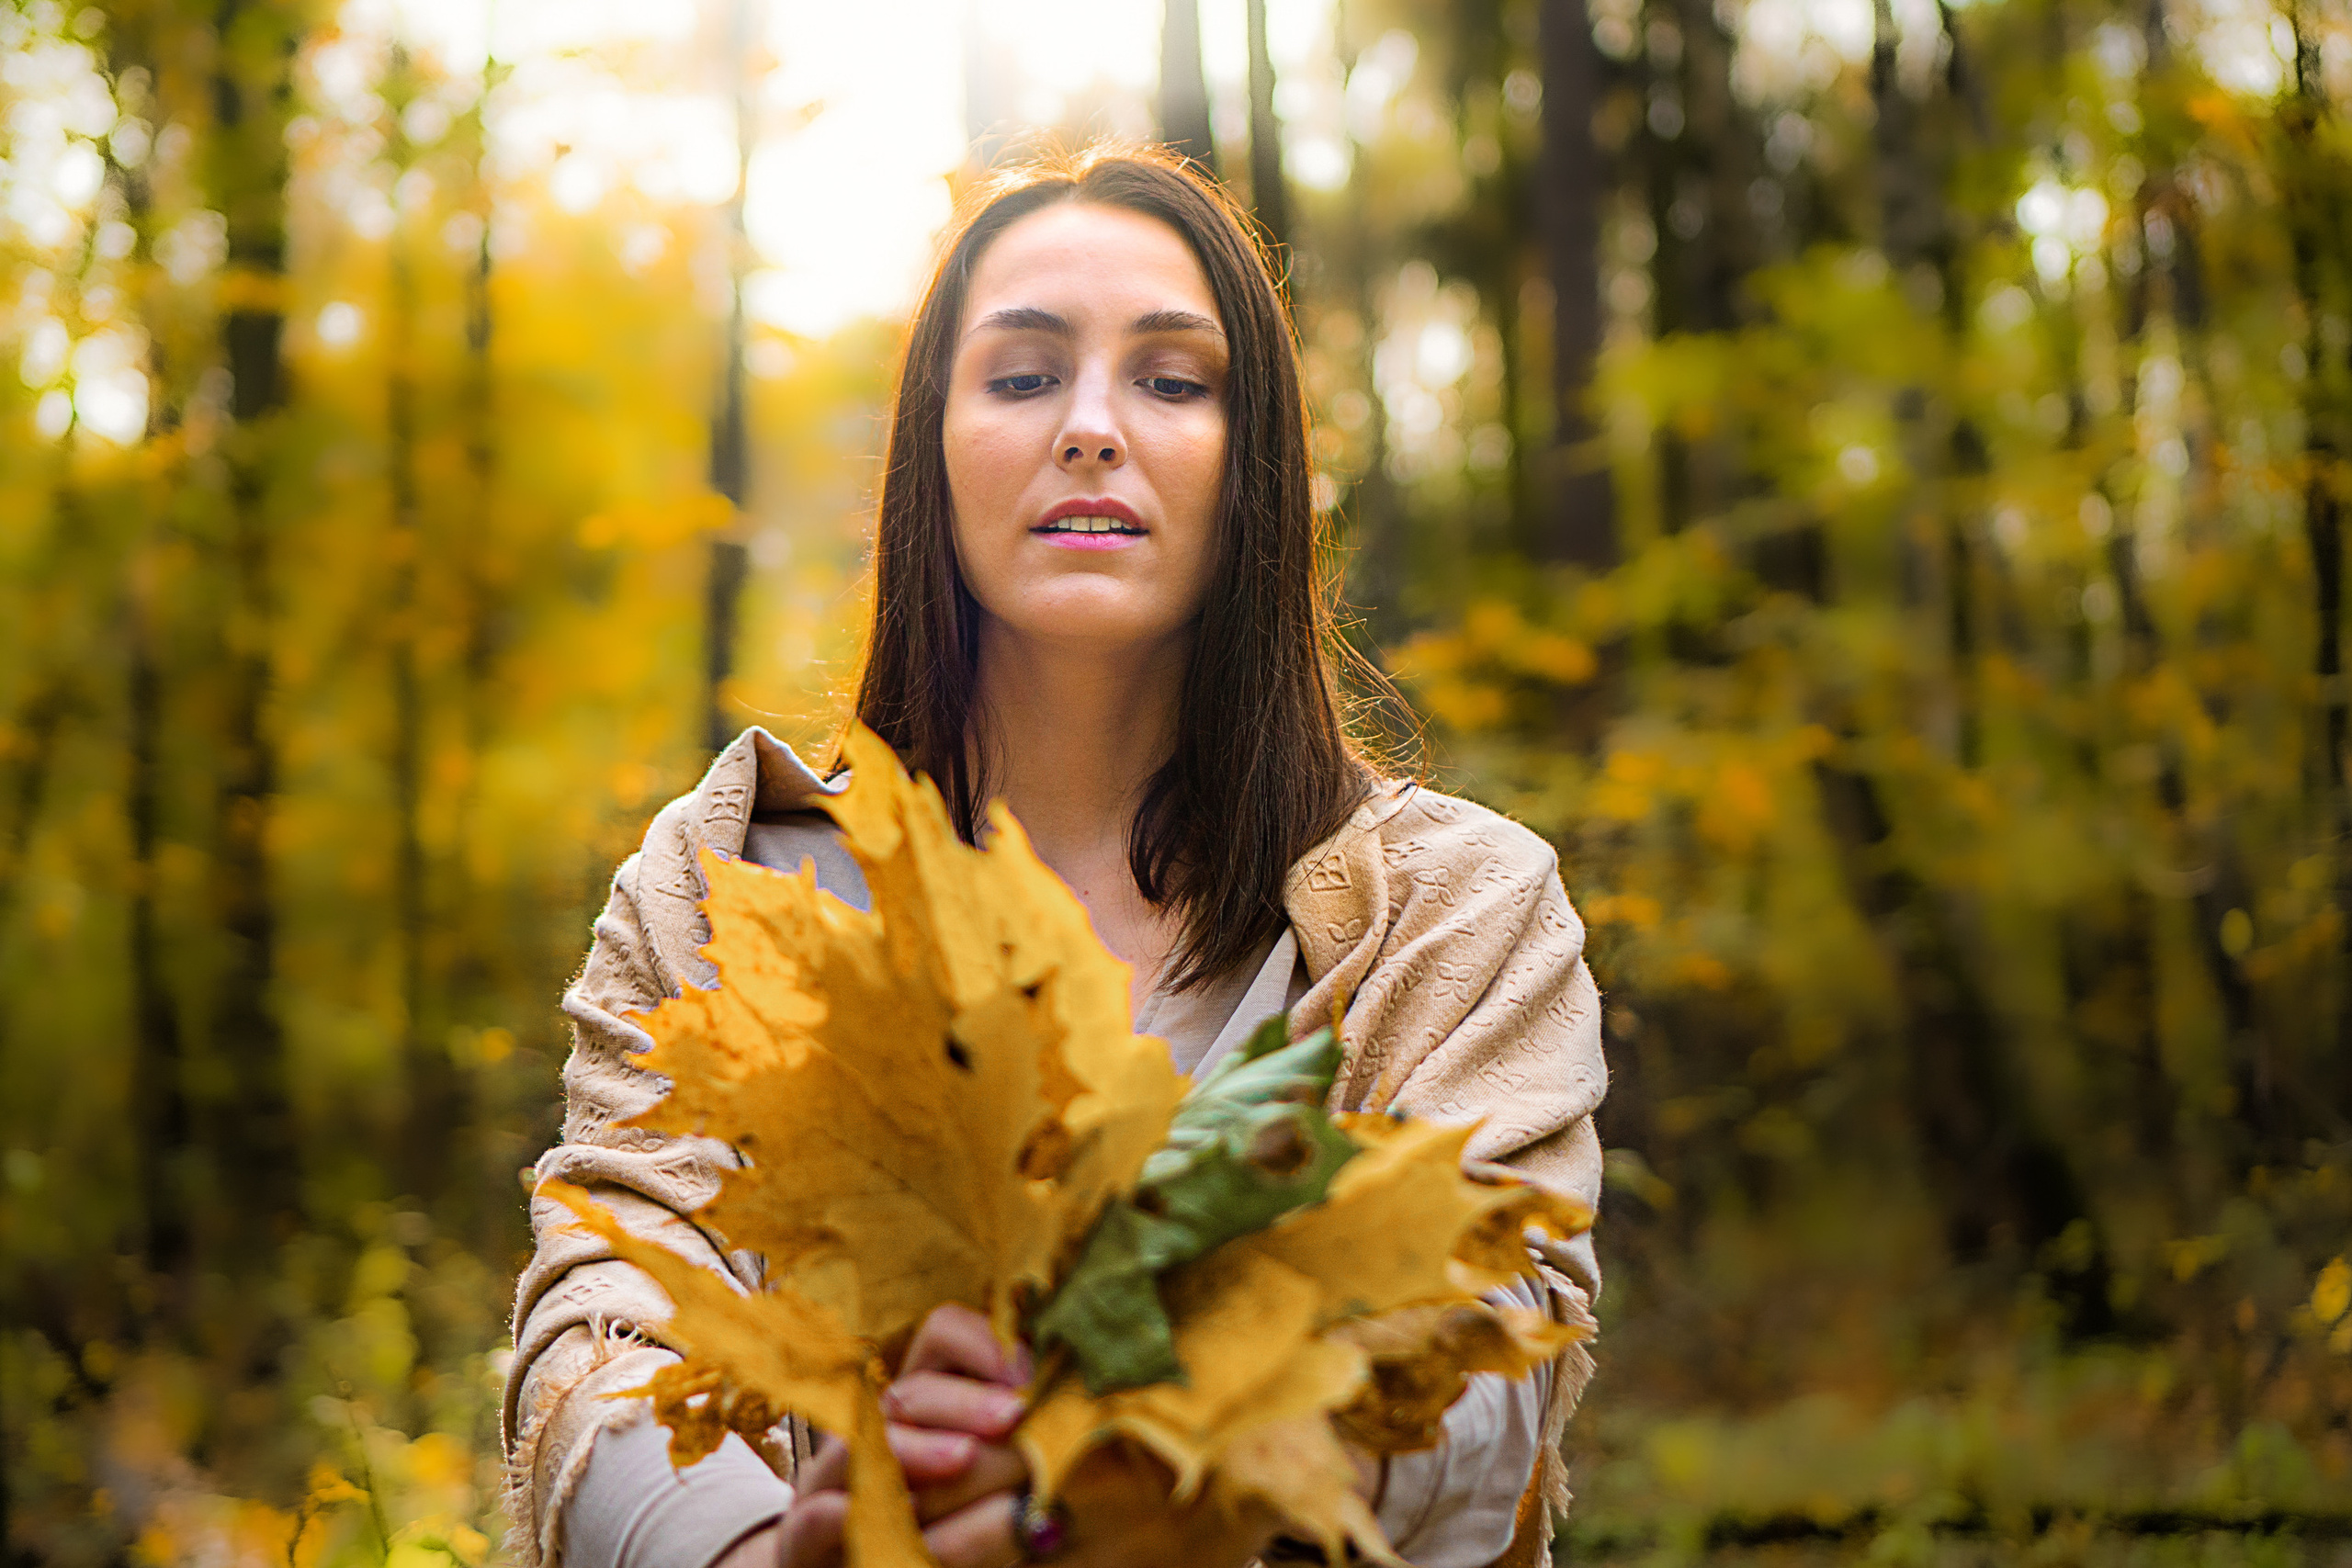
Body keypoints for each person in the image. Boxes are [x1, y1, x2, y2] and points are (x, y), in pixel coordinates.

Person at [503, 142, 1607, 1568]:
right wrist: (760, 1556)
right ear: (934, 449)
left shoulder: (1458, 912)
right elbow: (604, 1307)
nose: (1091, 426)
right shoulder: (724, 884)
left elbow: (1494, 1338)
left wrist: (1123, 1468)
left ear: (1252, 460)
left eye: (1172, 379)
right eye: (1023, 376)